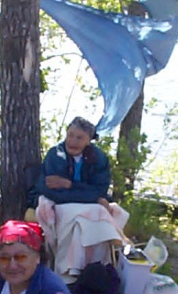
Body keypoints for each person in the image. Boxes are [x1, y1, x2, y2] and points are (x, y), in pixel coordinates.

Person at [32, 117, 128, 282]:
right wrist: (91, 196)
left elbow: (100, 189)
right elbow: (52, 191)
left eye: (79, 138)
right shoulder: (55, 155)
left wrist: (69, 185)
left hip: (87, 204)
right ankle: (69, 272)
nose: (73, 141)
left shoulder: (98, 158)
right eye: (70, 135)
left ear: (88, 141)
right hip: (60, 204)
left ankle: (94, 269)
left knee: (93, 216)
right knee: (89, 215)